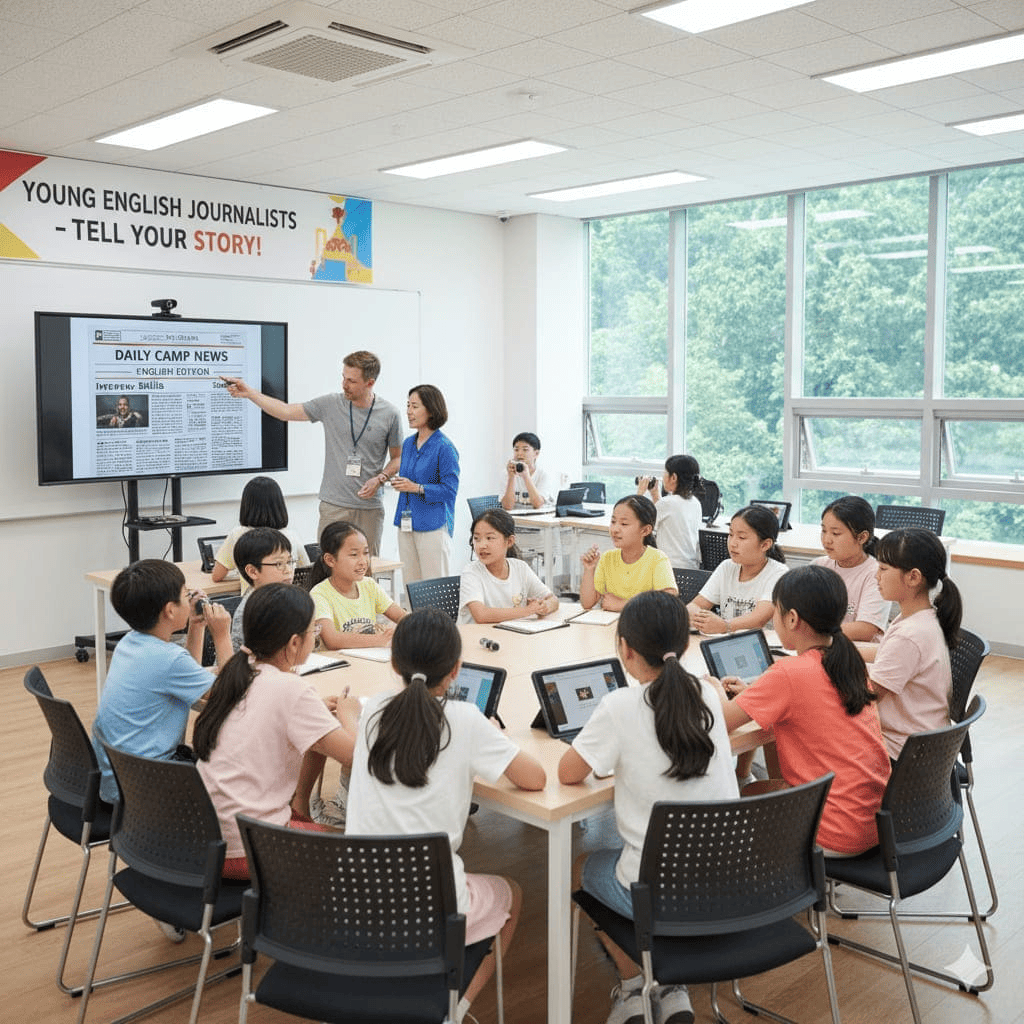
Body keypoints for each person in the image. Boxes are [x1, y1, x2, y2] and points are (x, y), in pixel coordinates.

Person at [346, 609, 546, 1024]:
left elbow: (358, 723)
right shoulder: (465, 719)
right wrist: (496, 738)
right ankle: (452, 1012)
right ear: (456, 669)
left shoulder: (375, 709)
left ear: (394, 664)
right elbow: (536, 778)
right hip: (432, 907)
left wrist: (346, 708)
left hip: (359, 902)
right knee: (511, 890)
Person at [559, 591, 738, 1024]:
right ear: (687, 644)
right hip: (728, 888)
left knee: (580, 867)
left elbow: (567, 772)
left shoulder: (619, 705)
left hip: (657, 896)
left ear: (625, 649)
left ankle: (634, 987)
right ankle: (672, 989)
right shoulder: (708, 695)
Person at [713, 565, 890, 857]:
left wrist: (715, 688)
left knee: (738, 797)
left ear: (792, 618)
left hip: (831, 832)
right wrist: (754, 695)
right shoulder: (849, 662)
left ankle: (778, 872)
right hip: (872, 823)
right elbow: (810, 707)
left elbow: (719, 722)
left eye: (776, 612)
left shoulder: (788, 673)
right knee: (756, 788)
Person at [194, 584, 361, 880]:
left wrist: (315, 711)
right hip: (248, 850)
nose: (315, 637)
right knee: (361, 849)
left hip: (207, 839)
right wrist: (350, 714)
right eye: (313, 631)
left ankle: (300, 813)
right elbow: (354, 757)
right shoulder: (291, 689)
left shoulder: (238, 672)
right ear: (295, 643)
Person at [222, 350, 402, 555]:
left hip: (370, 508)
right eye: (343, 377)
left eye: (351, 381)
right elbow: (285, 412)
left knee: (367, 565)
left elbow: (398, 457)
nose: (344, 384)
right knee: (328, 564)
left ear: (370, 383)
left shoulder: (390, 414)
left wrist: (380, 478)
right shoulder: (330, 404)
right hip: (333, 505)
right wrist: (250, 393)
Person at [90, 559, 232, 805]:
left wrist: (196, 626)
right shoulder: (169, 659)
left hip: (118, 780)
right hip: (149, 790)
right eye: (185, 595)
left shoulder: (129, 643)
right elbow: (231, 693)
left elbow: (185, 676)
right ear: (169, 610)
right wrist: (221, 636)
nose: (190, 599)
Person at [862, 527, 960, 760]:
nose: (876, 576)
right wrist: (835, 650)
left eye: (883, 569)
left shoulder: (910, 635)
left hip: (902, 754)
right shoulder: (921, 617)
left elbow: (866, 697)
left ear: (913, 577)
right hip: (917, 745)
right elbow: (885, 653)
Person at [390, 384, 460, 583]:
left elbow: (449, 490)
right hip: (406, 522)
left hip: (433, 525)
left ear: (431, 410)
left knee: (434, 585)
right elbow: (408, 479)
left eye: (414, 406)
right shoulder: (408, 444)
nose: (408, 412)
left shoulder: (445, 447)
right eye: (408, 406)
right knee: (410, 584)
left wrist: (417, 488)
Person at [687, 505, 788, 635]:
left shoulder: (779, 573)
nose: (732, 543)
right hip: (727, 642)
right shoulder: (727, 567)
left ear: (765, 544)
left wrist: (724, 626)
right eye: (731, 534)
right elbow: (695, 605)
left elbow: (758, 620)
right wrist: (699, 617)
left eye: (742, 537)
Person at [310, 520, 405, 649]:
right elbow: (332, 640)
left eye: (366, 553)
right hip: (338, 660)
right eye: (354, 555)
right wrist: (380, 639)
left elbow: (401, 616)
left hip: (369, 657)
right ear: (330, 560)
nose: (363, 561)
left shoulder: (369, 585)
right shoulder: (319, 594)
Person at [811, 496, 890, 642]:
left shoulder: (876, 574)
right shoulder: (818, 566)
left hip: (858, 650)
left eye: (835, 533)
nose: (827, 540)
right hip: (821, 645)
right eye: (824, 531)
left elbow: (866, 629)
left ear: (862, 537)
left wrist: (816, 634)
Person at [211, 476, 309, 594]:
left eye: (288, 562)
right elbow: (306, 569)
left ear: (246, 505)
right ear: (280, 504)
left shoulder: (238, 534)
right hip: (288, 597)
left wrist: (240, 572)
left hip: (254, 598)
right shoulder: (292, 535)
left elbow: (217, 576)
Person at [580, 495, 677, 612]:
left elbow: (668, 601)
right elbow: (587, 604)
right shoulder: (607, 558)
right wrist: (589, 569)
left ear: (645, 530)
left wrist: (623, 604)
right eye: (613, 522)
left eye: (624, 524)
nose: (615, 529)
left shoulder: (657, 559)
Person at [459, 508, 558, 623]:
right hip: (477, 634)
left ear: (509, 541)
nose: (482, 545)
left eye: (489, 538)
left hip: (508, 632)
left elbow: (552, 599)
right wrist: (528, 610)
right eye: (477, 539)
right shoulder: (471, 572)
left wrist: (545, 606)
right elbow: (481, 615)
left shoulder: (520, 568)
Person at [228, 527, 296, 651]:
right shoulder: (252, 612)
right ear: (253, 571)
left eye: (289, 562)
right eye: (279, 564)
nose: (288, 570)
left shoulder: (286, 599)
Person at [636, 454, 703, 570]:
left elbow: (637, 524)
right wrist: (655, 495)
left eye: (665, 472)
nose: (663, 476)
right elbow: (666, 516)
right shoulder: (695, 502)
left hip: (669, 569)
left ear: (673, 477)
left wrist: (640, 493)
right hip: (691, 570)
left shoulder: (667, 503)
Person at [500, 431, 561, 510]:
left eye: (525, 450)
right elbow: (507, 506)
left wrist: (526, 477)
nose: (519, 453)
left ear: (536, 454)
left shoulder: (544, 474)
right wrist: (511, 478)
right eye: (516, 450)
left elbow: (538, 504)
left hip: (539, 516)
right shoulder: (507, 473)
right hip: (515, 517)